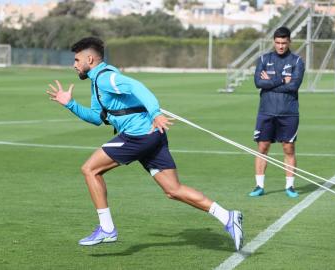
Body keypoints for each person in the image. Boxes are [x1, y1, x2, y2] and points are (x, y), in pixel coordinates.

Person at [46, 37, 244, 250]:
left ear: (90, 59)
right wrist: (70, 104)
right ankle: (228, 216)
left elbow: (137, 87)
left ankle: (107, 229)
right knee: (173, 190)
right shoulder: (97, 83)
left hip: (138, 136)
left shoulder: (106, 78)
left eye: (77, 60)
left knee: (90, 170)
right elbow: (96, 118)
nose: (74, 65)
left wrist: (156, 113)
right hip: (152, 136)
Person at [250, 26, 305, 198]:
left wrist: (271, 81)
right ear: (273, 42)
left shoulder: (297, 61)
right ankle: (259, 186)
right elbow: (258, 83)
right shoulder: (264, 59)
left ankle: (290, 187)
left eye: (284, 43)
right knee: (262, 147)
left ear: (289, 42)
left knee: (288, 148)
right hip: (266, 111)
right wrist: (281, 79)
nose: (281, 46)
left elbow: (294, 86)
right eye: (278, 42)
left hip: (289, 112)